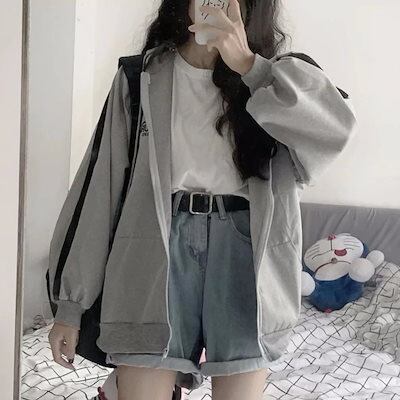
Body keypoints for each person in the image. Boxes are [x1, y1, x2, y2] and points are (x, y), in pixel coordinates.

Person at [47, 0, 357, 399]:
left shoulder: (278, 80)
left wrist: (249, 66)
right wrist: (71, 306)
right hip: (153, 250)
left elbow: (336, 131)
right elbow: (99, 191)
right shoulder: (141, 77)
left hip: (247, 254)